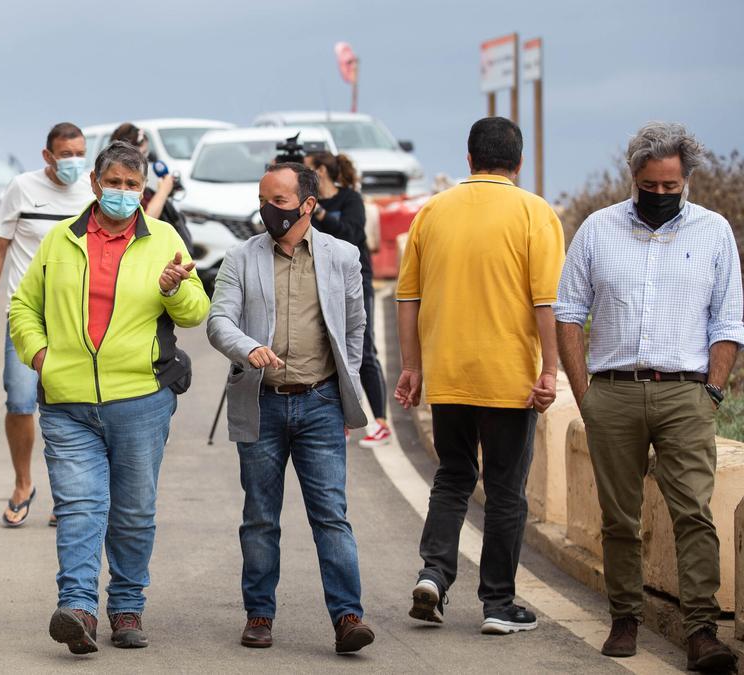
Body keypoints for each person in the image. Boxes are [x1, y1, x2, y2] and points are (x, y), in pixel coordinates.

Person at [556, 122, 744, 671]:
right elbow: (569, 312)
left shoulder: (712, 232)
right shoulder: (597, 229)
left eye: (670, 188)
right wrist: (584, 394)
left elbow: (728, 320)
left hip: (687, 394)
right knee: (619, 517)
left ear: (686, 181)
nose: (660, 196)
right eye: (650, 186)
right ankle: (624, 617)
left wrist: (712, 390)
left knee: (693, 513)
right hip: (612, 394)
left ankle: (702, 631)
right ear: (633, 177)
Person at [10, 141, 209, 654]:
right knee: (79, 508)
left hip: (140, 400)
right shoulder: (60, 240)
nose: (123, 193)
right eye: (114, 183)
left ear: (142, 190)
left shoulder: (164, 238)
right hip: (67, 401)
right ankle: (77, 608)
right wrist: (40, 359)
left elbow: (194, 313)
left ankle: (125, 607)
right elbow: (22, 308)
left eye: (133, 186)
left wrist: (172, 288)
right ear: (95, 184)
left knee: (134, 511)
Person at [395, 117, 563, 636]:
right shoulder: (535, 213)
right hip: (508, 377)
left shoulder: (432, 212)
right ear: (518, 162)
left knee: (452, 476)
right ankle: (497, 602)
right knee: (506, 490)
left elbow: (408, 298)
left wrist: (412, 367)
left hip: (448, 374)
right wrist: (550, 370)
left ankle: (434, 574)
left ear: (468, 160)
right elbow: (546, 303)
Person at [207, 161, 374, 655]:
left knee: (331, 515)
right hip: (262, 403)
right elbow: (219, 322)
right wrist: (246, 349)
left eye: (277, 201)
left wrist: (346, 392)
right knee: (260, 517)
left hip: (320, 403)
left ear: (307, 205)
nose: (267, 210)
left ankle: (348, 617)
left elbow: (355, 330)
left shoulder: (341, 256)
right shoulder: (240, 258)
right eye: (262, 200)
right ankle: (259, 614)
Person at [0, 122, 95, 527]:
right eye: (66, 154)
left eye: (80, 153)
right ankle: (24, 483)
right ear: (47, 156)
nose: (74, 162)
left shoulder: (94, 192)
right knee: (21, 402)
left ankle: (69, 495)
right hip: (25, 315)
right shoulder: (22, 188)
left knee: (71, 406)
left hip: (76, 319)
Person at [305, 151, 389, 447]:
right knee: (329, 348)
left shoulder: (349, 200)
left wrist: (322, 215)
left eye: (308, 170)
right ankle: (338, 418)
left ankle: (380, 421)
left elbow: (353, 234)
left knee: (363, 347)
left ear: (322, 172)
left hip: (355, 279)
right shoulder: (305, 204)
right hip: (321, 279)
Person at [107, 123, 192, 249]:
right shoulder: (118, 191)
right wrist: (163, 191)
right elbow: (145, 222)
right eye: (144, 153)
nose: (146, 158)